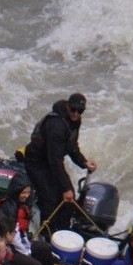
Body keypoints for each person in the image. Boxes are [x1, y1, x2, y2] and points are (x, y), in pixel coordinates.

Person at [22, 93, 98, 236]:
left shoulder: (75, 121)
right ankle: (45, 235)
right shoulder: (55, 125)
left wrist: (84, 162)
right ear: (68, 106)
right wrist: (65, 188)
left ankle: (63, 233)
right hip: (37, 162)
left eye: (80, 111)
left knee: (69, 200)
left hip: (52, 160)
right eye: (73, 109)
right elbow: (54, 161)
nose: (76, 113)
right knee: (51, 199)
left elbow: (72, 146)